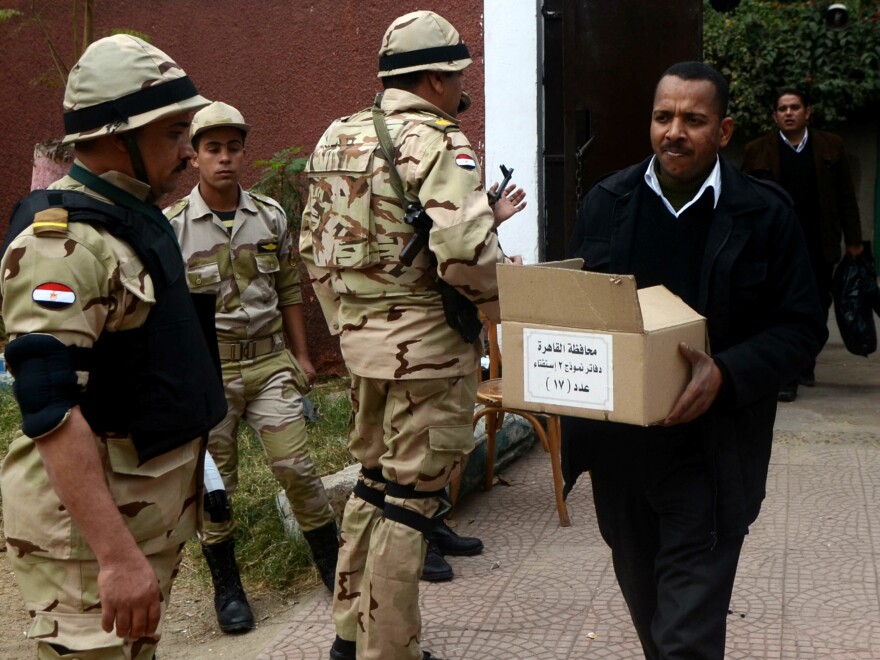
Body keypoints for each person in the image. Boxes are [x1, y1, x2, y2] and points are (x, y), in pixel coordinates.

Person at [563, 62, 827, 659]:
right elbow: (577, 316)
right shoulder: (607, 202)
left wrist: (726, 374)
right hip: (622, 459)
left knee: (686, 642)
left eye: (693, 119)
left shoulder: (764, 213)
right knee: (658, 625)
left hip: (713, 460)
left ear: (725, 131)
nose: (674, 131)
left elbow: (801, 326)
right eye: (663, 117)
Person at [300, 10, 525, 659]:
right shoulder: (437, 140)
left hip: (364, 347)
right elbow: (466, 257)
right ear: (434, 79)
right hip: (427, 353)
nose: (462, 88)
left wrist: (349, 325)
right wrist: (506, 307)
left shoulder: (337, 136)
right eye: (457, 76)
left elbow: (314, 249)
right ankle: (390, 650)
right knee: (413, 501)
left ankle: (351, 633)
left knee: (374, 484)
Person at [0, 35, 227, 659]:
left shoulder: (129, 218)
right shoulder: (61, 248)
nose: (188, 152)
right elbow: (51, 409)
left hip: (141, 515)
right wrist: (116, 556)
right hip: (87, 542)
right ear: (111, 137)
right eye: (174, 134)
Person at [164, 101, 339, 633]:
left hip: (267, 366)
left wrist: (302, 354)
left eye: (233, 148)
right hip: (209, 377)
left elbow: (289, 286)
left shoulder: (269, 216)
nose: (224, 159)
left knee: (298, 469)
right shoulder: (172, 226)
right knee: (216, 491)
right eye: (212, 149)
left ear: (243, 153)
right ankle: (228, 588)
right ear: (193, 157)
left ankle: (333, 569)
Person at [741, 87, 863, 401]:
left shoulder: (830, 146)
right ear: (774, 115)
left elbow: (846, 196)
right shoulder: (758, 150)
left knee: (817, 304)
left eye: (795, 107)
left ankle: (806, 359)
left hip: (818, 241)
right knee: (780, 305)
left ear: (807, 112)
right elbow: (742, 200)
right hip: (776, 246)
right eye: (782, 108)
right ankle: (788, 373)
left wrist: (854, 240)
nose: (789, 113)